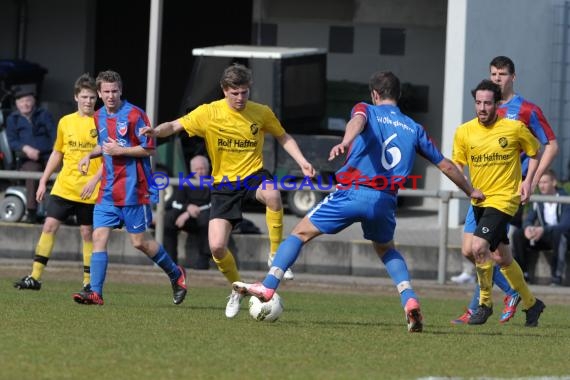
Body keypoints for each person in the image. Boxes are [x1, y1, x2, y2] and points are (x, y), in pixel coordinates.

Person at [232, 71, 485, 333]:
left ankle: (269, 285)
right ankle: (409, 299)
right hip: (385, 200)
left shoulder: (366, 109)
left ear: (374, 94)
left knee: (299, 233)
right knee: (387, 250)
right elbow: (445, 165)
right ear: (398, 95)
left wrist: (345, 141)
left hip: (352, 192)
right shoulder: (414, 127)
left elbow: (358, 121)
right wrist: (470, 190)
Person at [140, 63, 315, 318]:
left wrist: (302, 161)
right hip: (223, 185)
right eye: (235, 93)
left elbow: (283, 136)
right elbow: (175, 126)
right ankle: (236, 289)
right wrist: (156, 132)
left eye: (244, 92)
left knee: (273, 194)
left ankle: (276, 254)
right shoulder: (209, 113)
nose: (240, 98)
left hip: (253, 176)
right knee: (217, 248)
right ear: (224, 90)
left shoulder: (261, 113)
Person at [451, 56, 558, 324]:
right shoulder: (476, 120)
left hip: (506, 193)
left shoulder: (524, 114)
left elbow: (549, 146)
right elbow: (463, 156)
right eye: (493, 73)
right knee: (491, 253)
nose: (497, 77)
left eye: (502, 73)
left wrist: (530, 180)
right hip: (480, 193)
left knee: (480, 247)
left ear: (513, 77)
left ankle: (481, 305)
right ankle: (528, 301)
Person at [72, 70, 187, 306]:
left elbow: (149, 149)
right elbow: (104, 145)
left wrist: (121, 151)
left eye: (115, 91)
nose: (111, 95)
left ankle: (176, 274)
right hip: (107, 191)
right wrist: (89, 155)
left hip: (134, 189)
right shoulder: (98, 116)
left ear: (121, 91)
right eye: (106, 91)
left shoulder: (136, 115)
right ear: (99, 93)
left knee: (139, 242)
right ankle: (95, 292)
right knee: (99, 236)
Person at [13, 74, 102, 292]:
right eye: (84, 97)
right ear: (76, 97)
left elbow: (109, 156)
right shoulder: (65, 122)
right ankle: (35, 277)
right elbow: (57, 153)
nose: (88, 101)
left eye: (92, 97)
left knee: (87, 232)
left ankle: (88, 283)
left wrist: (95, 179)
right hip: (65, 186)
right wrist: (43, 181)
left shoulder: (102, 122)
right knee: (49, 226)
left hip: (90, 189)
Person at [6, 84, 57, 223]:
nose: (25, 104)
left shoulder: (44, 114)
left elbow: (55, 135)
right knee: (32, 172)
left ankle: (59, 211)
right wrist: (26, 148)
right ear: (16, 103)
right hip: (27, 158)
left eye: (28, 100)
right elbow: (12, 141)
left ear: (33, 101)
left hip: (48, 155)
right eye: (21, 101)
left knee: (61, 171)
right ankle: (32, 211)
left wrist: (56, 152)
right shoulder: (13, 119)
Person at [513, 169, 570, 285]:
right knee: (518, 234)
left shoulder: (565, 199)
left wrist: (543, 230)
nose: (542, 186)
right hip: (543, 236)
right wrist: (528, 228)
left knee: (559, 234)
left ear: (554, 183)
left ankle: (556, 277)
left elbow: (565, 225)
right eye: (540, 183)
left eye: (545, 182)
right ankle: (523, 274)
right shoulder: (538, 200)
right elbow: (529, 219)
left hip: (561, 237)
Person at [163, 155, 211, 268]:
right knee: (168, 219)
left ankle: (203, 261)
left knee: (207, 219)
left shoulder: (213, 183)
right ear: (191, 170)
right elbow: (175, 203)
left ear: (207, 169)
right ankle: (171, 262)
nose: (200, 172)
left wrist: (189, 212)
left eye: (202, 168)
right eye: (197, 169)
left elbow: (213, 204)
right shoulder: (185, 182)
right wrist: (187, 208)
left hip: (203, 218)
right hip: (185, 220)